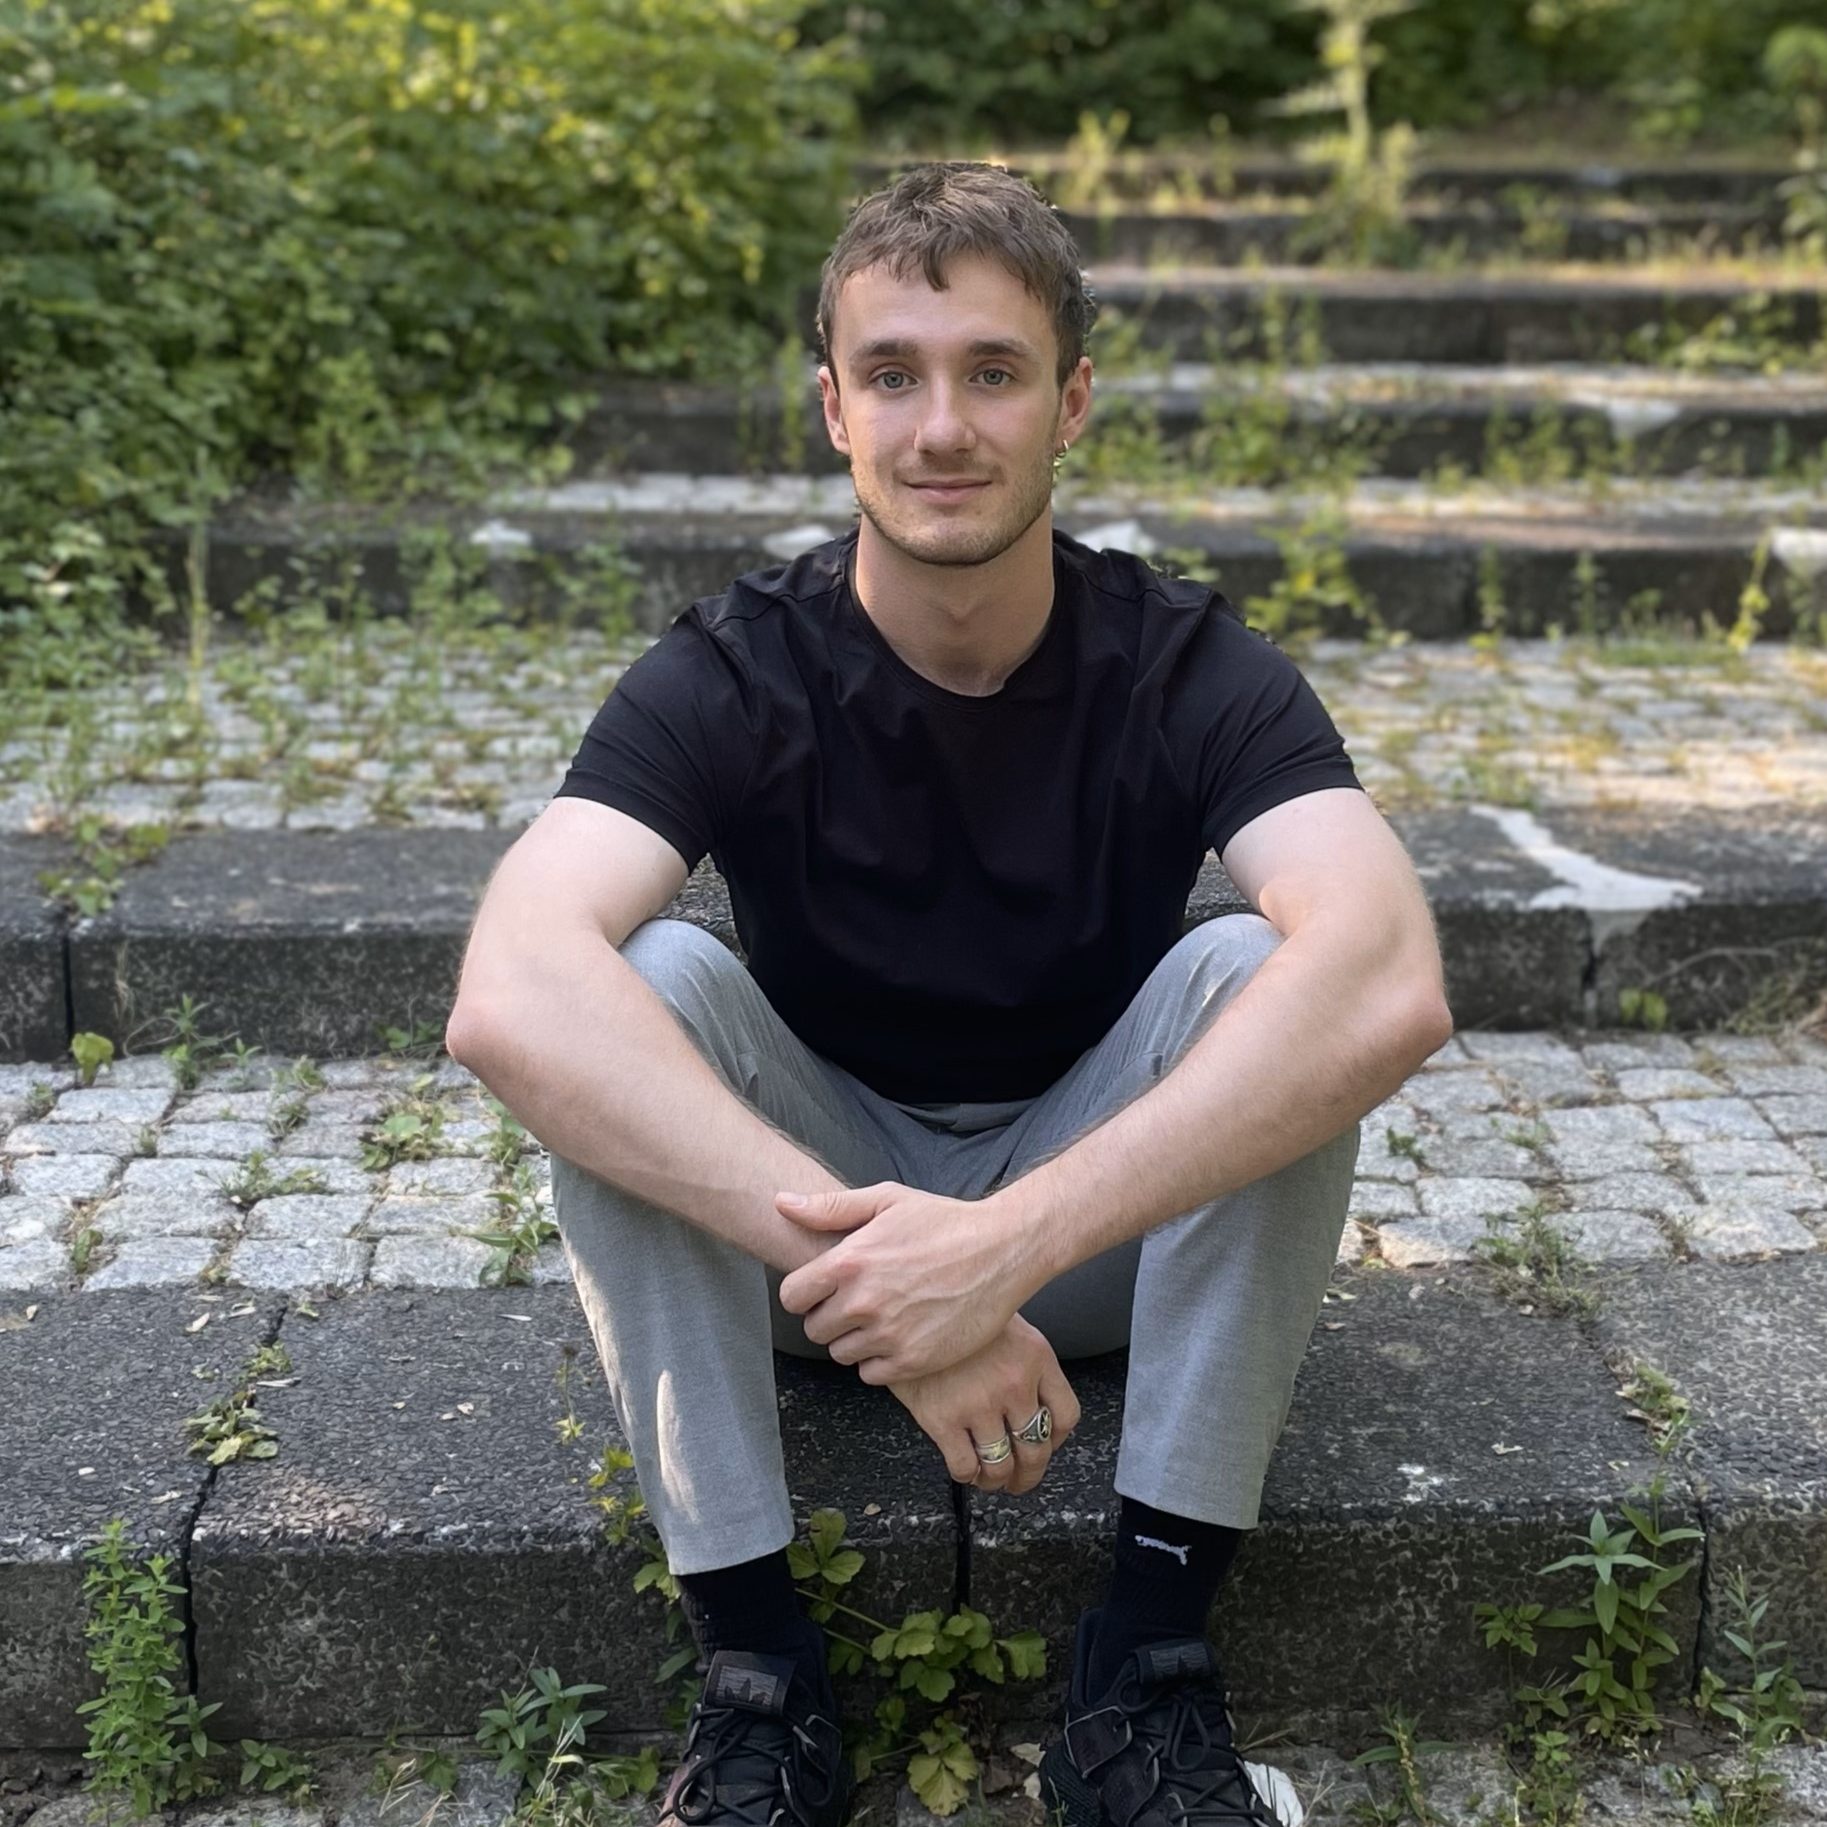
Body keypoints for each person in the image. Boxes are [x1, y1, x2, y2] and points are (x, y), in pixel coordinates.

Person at [446, 161, 1453, 1827]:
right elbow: (506, 991)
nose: (942, 428)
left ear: (1072, 404)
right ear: (832, 409)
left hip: (1095, 1234)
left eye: (993, 372)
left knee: (1264, 972)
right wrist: (898, 1291)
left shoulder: (1184, 660)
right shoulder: (735, 664)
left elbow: (1391, 972)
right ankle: (757, 1676)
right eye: (894, 375)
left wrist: (998, 1253)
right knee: (641, 978)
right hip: (803, 1218)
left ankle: (1146, 1675)